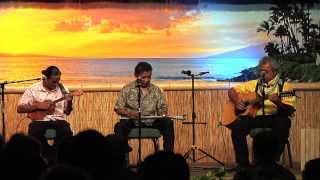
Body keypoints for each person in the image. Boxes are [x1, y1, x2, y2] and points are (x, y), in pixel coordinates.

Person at [227, 56, 296, 170]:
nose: (263, 73)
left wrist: (278, 102)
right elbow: (232, 91)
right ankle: (243, 165)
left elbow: (289, 110)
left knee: (284, 123)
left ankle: (273, 162)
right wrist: (236, 101)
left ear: (274, 71)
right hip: (255, 117)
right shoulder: (255, 83)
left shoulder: (285, 86)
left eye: (266, 71)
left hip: (274, 117)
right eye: (261, 71)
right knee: (237, 126)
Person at [17, 66, 73, 162]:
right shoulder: (33, 89)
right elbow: (20, 108)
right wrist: (38, 106)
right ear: (45, 78)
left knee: (66, 135)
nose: (57, 84)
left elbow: (67, 112)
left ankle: (61, 164)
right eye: (53, 81)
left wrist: (70, 102)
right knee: (36, 139)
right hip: (39, 122)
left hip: (58, 121)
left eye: (58, 80)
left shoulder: (63, 90)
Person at [114, 62, 174, 152]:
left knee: (168, 122)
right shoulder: (127, 89)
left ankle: (168, 156)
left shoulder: (156, 90)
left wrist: (163, 113)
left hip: (152, 121)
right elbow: (118, 108)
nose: (147, 80)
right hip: (133, 122)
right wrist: (130, 113)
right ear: (137, 76)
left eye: (149, 77)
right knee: (119, 126)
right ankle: (122, 157)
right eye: (144, 77)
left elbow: (162, 106)